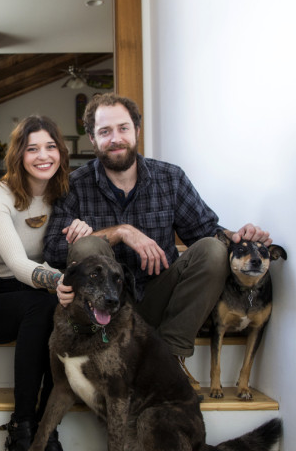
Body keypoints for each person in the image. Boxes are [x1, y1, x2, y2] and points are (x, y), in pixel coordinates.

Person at [43, 93, 272, 383]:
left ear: (137, 130)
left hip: (159, 300)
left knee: (214, 250)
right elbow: (53, 251)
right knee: (87, 245)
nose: (116, 138)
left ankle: (170, 355)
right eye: (105, 131)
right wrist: (121, 231)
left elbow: (205, 231)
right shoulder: (74, 185)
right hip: (105, 309)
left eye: (123, 128)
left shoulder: (170, 178)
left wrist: (238, 236)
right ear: (92, 137)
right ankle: (103, 354)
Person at [0, 116, 91, 451]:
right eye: (33, 148)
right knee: (46, 305)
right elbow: (19, 263)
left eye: (51, 147)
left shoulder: (65, 196)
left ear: (61, 152)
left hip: (37, 294)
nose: (43, 155)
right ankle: (23, 427)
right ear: (19, 155)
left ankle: (47, 434)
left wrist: (84, 231)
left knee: (54, 309)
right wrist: (57, 280)